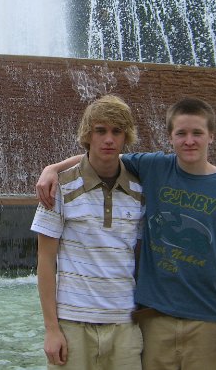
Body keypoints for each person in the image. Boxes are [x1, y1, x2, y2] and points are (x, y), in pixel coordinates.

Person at [36, 97, 216, 370]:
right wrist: (53, 168)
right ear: (170, 138)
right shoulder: (150, 169)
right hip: (132, 320)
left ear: (211, 136)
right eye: (181, 133)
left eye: (197, 133)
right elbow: (99, 155)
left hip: (187, 318)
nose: (189, 141)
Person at [31, 94, 145, 369]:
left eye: (117, 131)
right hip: (72, 324)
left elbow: (141, 258)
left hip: (124, 324)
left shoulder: (141, 189)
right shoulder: (58, 187)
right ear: (88, 135)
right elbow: (45, 261)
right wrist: (51, 329)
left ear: (125, 137)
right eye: (100, 130)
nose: (108, 139)